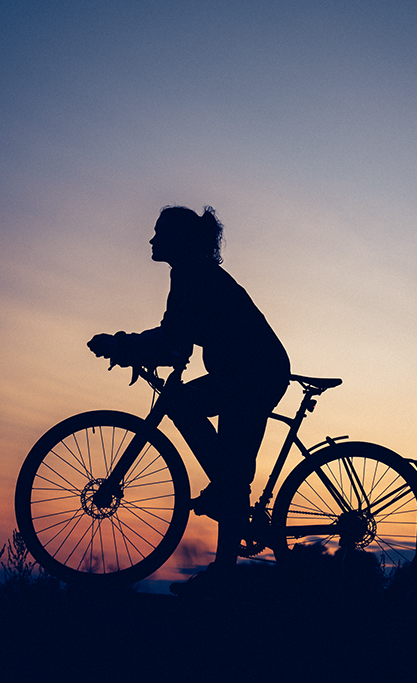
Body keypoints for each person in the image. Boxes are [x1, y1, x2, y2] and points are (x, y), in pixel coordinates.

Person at [88, 205, 290, 596]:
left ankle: (224, 568)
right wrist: (130, 347)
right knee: (203, 432)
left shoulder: (193, 275)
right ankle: (227, 498)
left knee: (227, 468)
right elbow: (176, 341)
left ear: (178, 240)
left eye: (158, 232)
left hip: (253, 375)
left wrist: (123, 345)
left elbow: (172, 342)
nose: (151, 239)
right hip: (243, 374)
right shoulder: (189, 273)